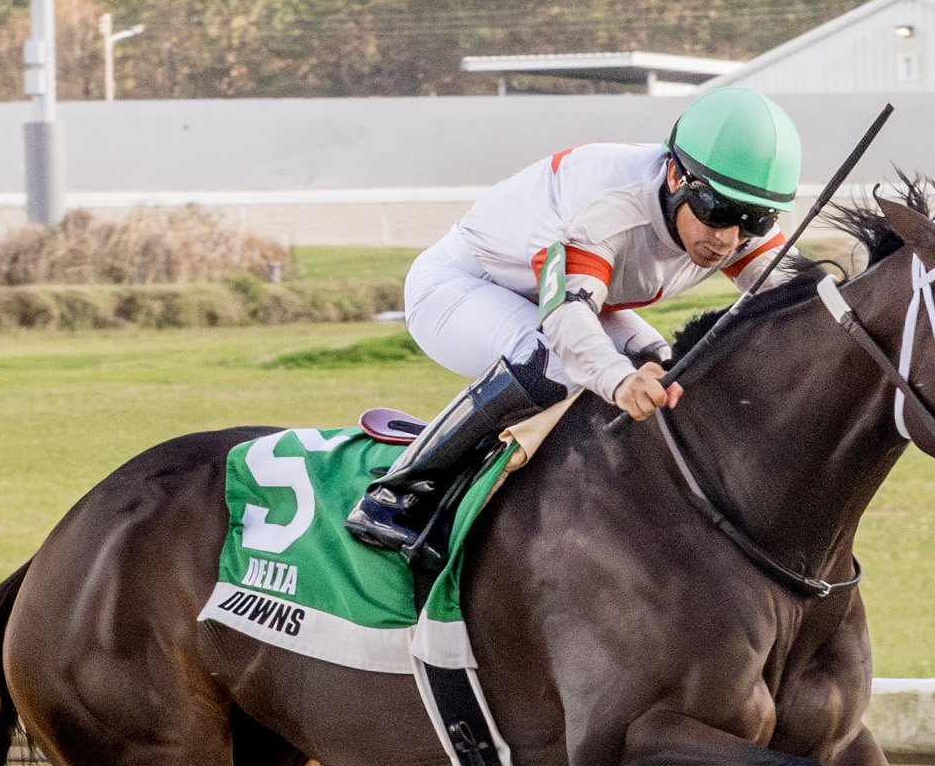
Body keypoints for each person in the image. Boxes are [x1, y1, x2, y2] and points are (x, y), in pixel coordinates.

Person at [345, 86, 804, 556]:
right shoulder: (607, 201)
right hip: (459, 286)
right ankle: (395, 496)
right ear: (674, 175)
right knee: (555, 364)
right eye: (716, 212)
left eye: (755, 220)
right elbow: (566, 317)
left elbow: (800, 302)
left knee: (664, 367)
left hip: (557, 296)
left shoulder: (730, 218)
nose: (729, 239)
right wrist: (618, 382)